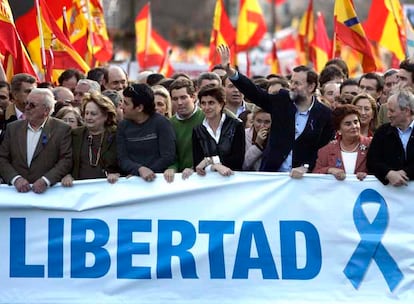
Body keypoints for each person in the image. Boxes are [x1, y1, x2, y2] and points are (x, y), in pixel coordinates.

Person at [217, 44, 333, 173]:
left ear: (311, 87)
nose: (292, 86)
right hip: (272, 176)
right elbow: (255, 93)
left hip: (303, 180)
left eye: (297, 83)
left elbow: (322, 149)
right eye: (291, 82)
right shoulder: (281, 101)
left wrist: (306, 167)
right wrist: (231, 72)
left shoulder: (325, 115)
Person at [0, 88, 72, 193]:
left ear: (46, 110)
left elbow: (66, 160)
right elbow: (2, 158)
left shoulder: (62, 129)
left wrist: (46, 180)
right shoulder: (12, 128)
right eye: (27, 103)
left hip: (48, 194)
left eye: (32, 105)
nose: (27, 108)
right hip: (16, 194)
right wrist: (15, 179)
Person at [117, 83, 176, 182]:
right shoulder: (123, 126)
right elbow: (122, 158)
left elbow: (168, 156)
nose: (122, 106)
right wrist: (139, 170)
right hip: (131, 181)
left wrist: (149, 171)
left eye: (126, 103)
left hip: (158, 181)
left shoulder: (162, 123)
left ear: (139, 108)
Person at [61, 92, 120, 186]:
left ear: (105, 116)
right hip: (79, 189)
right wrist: (67, 175)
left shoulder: (116, 135)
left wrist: (118, 174)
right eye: (86, 113)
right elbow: (64, 159)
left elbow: (124, 161)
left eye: (93, 114)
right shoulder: (75, 135)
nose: (88, 117)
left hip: (108, 188)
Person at [191, 84, 245, 177]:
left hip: (233, 180)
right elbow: (198, 164)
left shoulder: (236, 125)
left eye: (211, 103)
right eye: (203, 103)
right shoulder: (197, 130)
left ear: (221, 104)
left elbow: (238, 160)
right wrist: (215, 167)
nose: (206, 107)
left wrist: (209, 161)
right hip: (207, 181)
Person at [367, 89, 414, 186]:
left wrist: (405, 173)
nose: (388, 115)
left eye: (392, 111)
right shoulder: (382, 132)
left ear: (406, 111)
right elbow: (372, 161)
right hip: (389, 196)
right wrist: (388, 173)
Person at [312, 104, 371, 181]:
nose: (354, 126)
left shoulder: (371, 145)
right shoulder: (326, 151)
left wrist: (368, 175)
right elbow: (314, 176)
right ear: (338, 130)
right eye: (348, 124)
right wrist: (329, 170)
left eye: (356, 122)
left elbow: (380, 169)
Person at [163, 78, 204, 182]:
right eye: (175, 99)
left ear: (193, 97)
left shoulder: (206, 118)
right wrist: (172, 168)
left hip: (203, 176)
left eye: (183, 97)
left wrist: (194, 168)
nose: (179, 102)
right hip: (179, 180)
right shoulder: (169, 124)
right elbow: (171, 154)